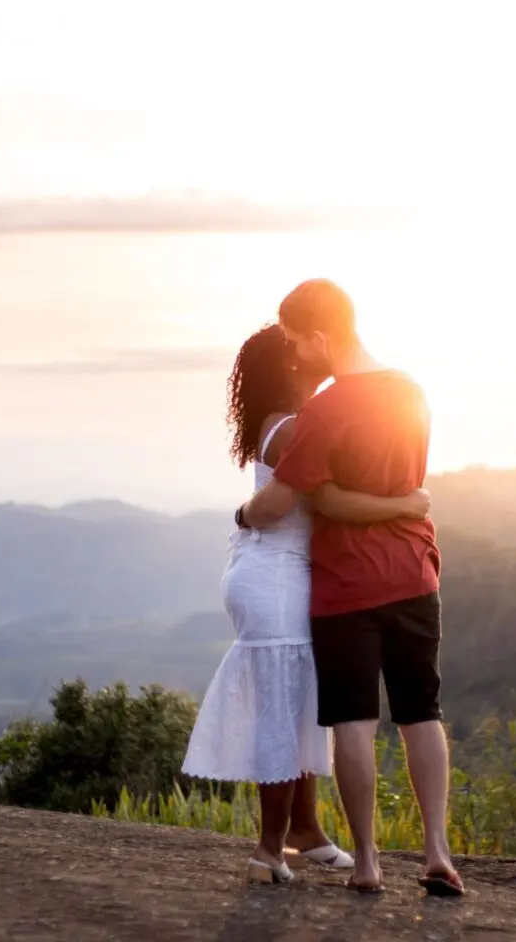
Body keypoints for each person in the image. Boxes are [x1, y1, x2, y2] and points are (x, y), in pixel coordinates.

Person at [182, 324, 432, 885]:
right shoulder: (293, 426)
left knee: (298, 704)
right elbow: (275, 505)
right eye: (295, 346)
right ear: (290, 366)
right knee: (282, 706)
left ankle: (306, 830)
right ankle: (268, 850)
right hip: (275, 575)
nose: (309, 350)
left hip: (278, 572)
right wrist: (406, 502)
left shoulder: (296, 421)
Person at [237, 279, 464, 897]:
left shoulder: (325, 411)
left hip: (347, 586)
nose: (294, 356)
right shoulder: (411, 392)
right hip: (415, 571)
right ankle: (436, 850)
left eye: (294, 342)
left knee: (355, 725)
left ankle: (367, 863)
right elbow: (410, 483)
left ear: (318, 336)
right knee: (423, 713)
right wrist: (408, 506)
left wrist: (242, 515)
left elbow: (301, 497)